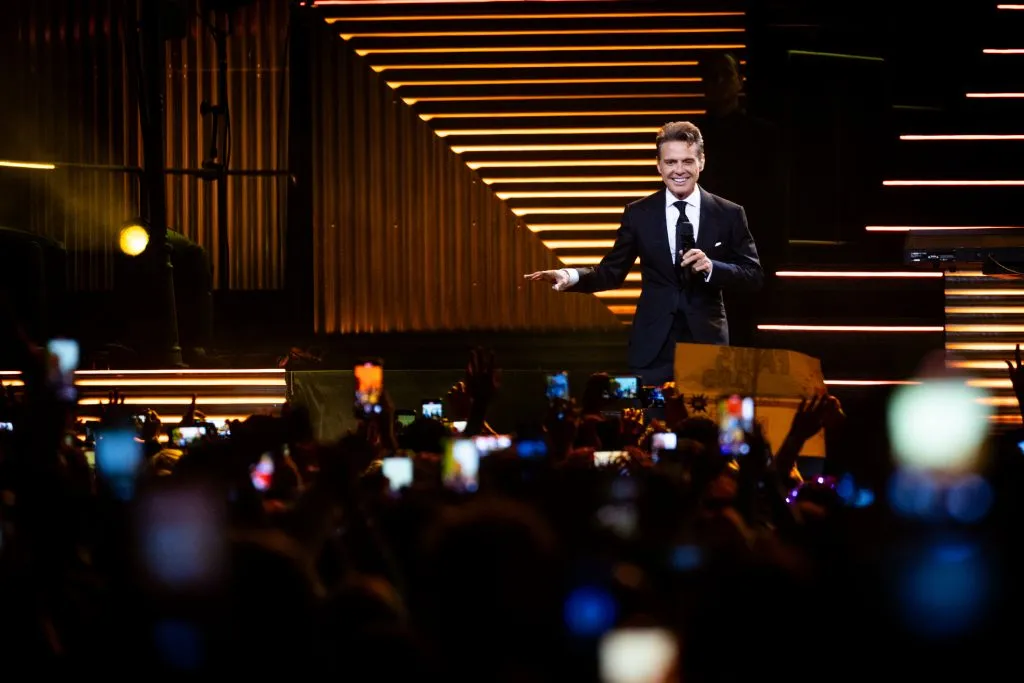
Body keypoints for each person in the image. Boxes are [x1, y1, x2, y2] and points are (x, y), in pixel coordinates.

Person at [523, 121, 763, 386]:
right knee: (648, 421)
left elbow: (752, 275)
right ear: (659, 165)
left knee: (702, 425)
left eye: (687, 161)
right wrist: (569, 275)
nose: (679, 170)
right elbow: (611, 273)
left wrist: (712, 268)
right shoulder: (639, 214)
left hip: (706, 347)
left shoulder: (728, 213)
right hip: (652, 350)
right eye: (671, 162)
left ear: (701, 162)